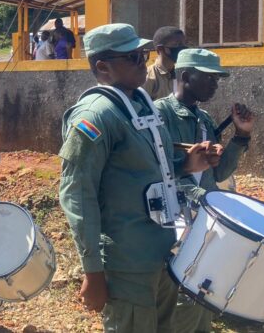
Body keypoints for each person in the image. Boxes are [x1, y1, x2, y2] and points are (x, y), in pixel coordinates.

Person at [58, 23, 210, 332]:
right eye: (133, 58)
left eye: (143, 54)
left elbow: (146, 171)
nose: (144, 63)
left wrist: (184, 166)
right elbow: (78, 195)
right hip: (127, 263)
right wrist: (94, 272)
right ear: (103, 67)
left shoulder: (139, 103)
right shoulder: (95, 115)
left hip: (162, 252)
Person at [154, 49, 254, 333]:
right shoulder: (160, 114)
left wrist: (241, 136)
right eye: (209, 78)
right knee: (181, 296)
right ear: (185, 76)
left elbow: (219, 173)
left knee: (200, 293)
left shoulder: (205, 120)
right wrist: (205, 201)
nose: (215, 85)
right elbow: (160, 172)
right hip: (174, 221)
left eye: (217, 80)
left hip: (202, 221)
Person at [143, 26, 187, 100]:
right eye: (176, 44)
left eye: (183, 44)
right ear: (160, 49)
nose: (182, 48)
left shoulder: (181, 75)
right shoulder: (148, 77)